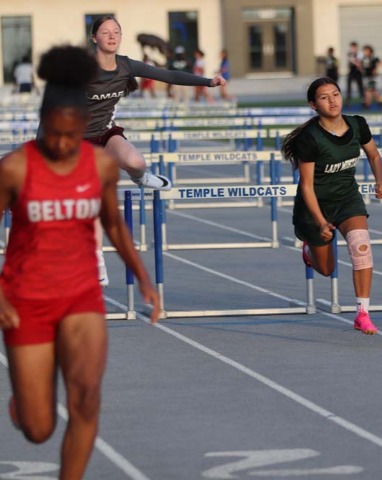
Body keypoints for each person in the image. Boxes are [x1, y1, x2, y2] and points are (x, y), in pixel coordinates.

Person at [0, 45, 160, 480]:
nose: (64, 144)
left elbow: (113, 224)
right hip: (26, 299)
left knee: (86, 398)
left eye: (73, 135)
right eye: (55, 134)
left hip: (81, 295)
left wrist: (142, 277)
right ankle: (25, 401)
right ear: (42, 124)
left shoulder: (99, 165)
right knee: (38, 428)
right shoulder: (14, 168)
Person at [87, 15, 225, 286]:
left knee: (136, 161)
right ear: (94, 38)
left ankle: (141, 178)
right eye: (105, 32)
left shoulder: (126, 65)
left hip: (106, 133)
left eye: (116, 31)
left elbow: (168, 75)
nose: (112, 36)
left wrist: (208, 82)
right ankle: (97, 262)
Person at [281, 77, 382, 335]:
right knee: (327, 269)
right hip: (315, 207)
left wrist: (380, 181)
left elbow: (374, 155)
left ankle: (362, 313)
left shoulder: (357, 124)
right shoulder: (309, 138)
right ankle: (309, 249)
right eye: (324, 97)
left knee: (361, 247)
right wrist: (320, 222)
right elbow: (306, 186)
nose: (332, 101)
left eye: (336, 94)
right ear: (313, 105)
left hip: (348, 199)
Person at [345, 41, 364, 106]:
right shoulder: (349, 53)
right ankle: (348, 100)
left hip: (358, 72)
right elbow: (351, 61)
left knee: (360, 86)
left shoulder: (360, 53)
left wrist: (355, 61)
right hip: (351, 71)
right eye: (351, 47)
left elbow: (359, 63)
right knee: (349, 86)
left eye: (353, 47)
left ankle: (363, 100)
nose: (352, 49)